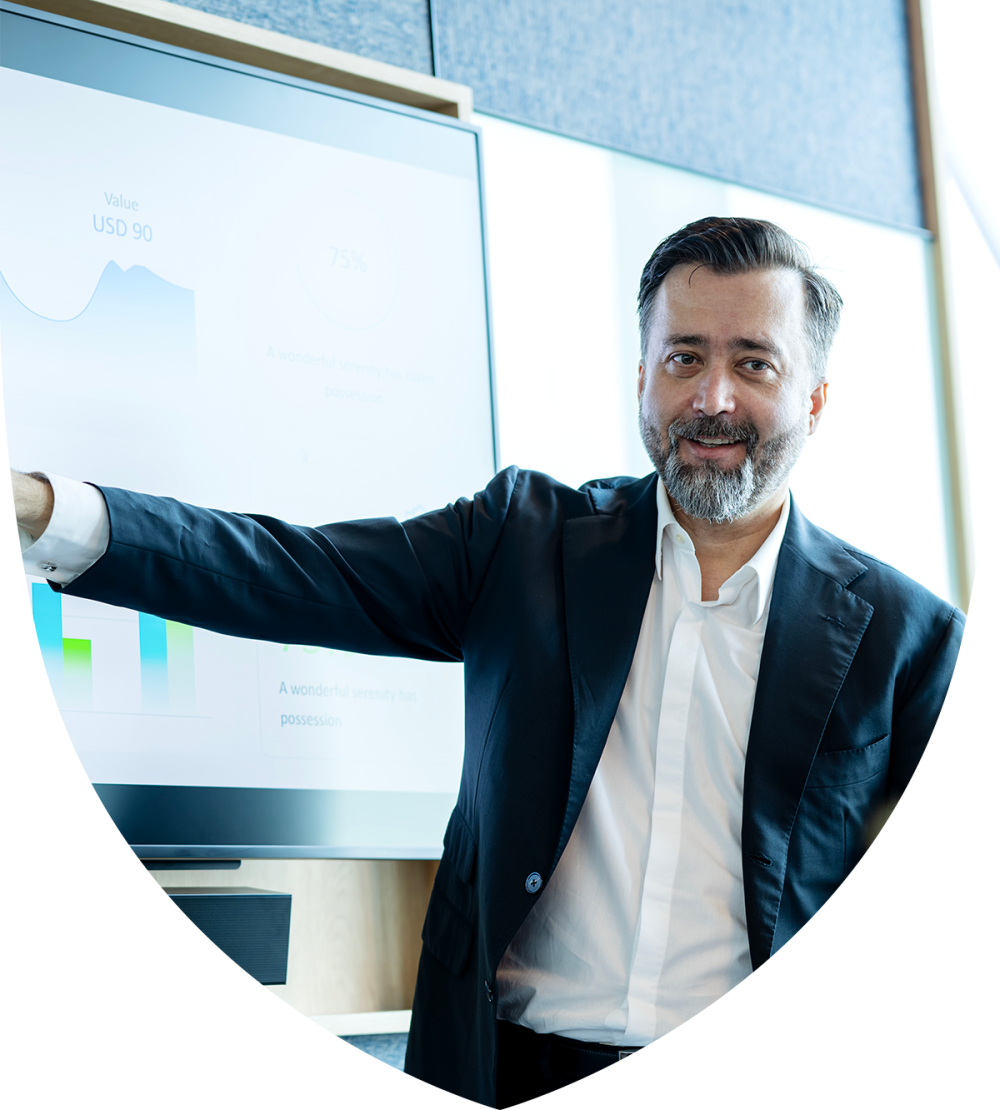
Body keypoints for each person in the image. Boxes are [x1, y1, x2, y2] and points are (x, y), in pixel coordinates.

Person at [13, 217, 964, 1107]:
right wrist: (52, 512)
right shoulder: (523, 541)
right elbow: (291, 572)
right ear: (643, 378)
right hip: (510, 1074)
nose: (713, 398)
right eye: (685, 358)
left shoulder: (907, 638)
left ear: (816, 398)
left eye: (754, 362)